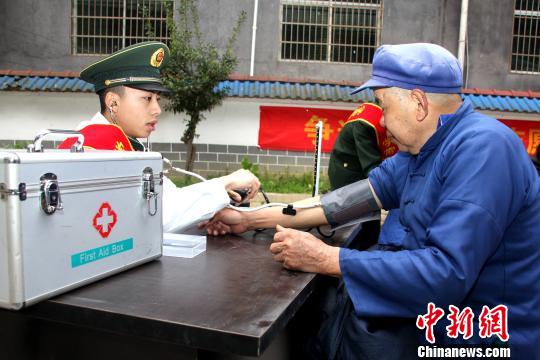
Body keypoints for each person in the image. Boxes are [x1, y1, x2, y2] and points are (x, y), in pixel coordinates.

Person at [204, 43, 540, 358]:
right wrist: (248, 219)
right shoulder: (422, 151)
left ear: (419, 104)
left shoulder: (483, 150)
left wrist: (326, 258)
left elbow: (444, 275)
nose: (379, 119)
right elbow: (337, 205)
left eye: (383, 104)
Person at [59, 41, 260, 234]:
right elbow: (155, 217)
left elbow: (169, 199)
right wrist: (225, 183)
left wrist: (209, 213)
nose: (157, 109)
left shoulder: (125, 143)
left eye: (157, 99)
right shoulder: (96, 146)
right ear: (113, 102)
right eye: (147, 99)